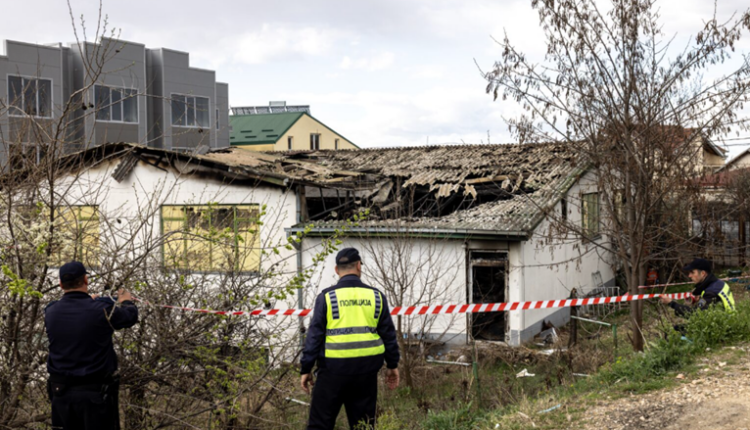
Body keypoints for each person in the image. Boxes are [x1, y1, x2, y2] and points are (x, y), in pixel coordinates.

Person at [300, 248, 400, 430]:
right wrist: (392, 365)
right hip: (366, 373)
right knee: (363, 425)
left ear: (337, 270)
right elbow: (388, 335)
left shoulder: (327, 297)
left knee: (319, 425)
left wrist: (306, 368)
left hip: (332, 371)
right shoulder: (376, 297)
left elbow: (314, 337)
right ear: (359, 266)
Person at [45, 261, 139, 430]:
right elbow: (129, 317)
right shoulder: (101, 310)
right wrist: (126, 301)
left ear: (60, 284)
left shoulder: (51, 311)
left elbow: (60, 306)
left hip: (60, 394)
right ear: (86, 280)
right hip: (94, 396)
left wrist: (90, 301)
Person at [660, 258, 735, 317]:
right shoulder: (719, 283)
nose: (689, 276)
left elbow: (695, 315)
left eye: (692, 272)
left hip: (723, 329)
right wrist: (699, 296)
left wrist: (671, 303)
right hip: (727, 321)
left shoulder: (710, 293)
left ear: (703, 273)